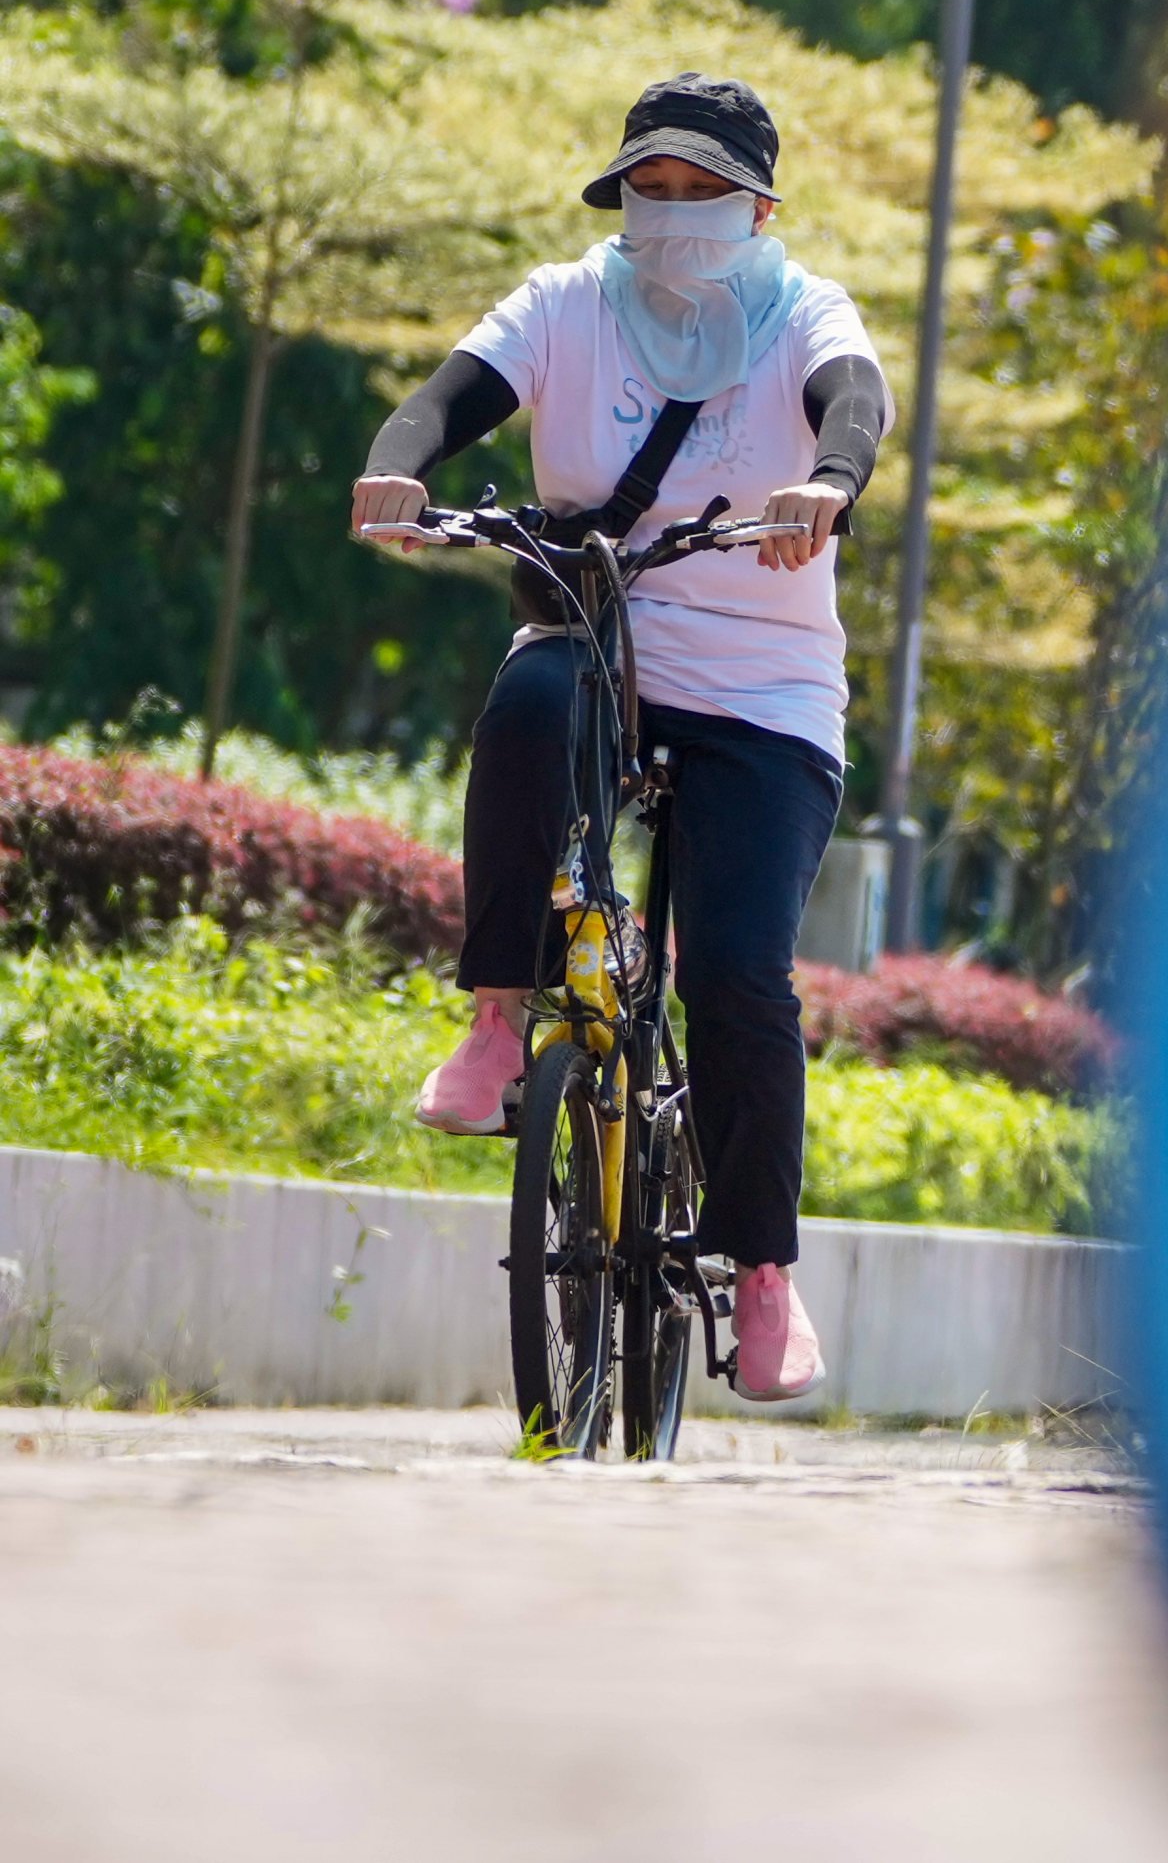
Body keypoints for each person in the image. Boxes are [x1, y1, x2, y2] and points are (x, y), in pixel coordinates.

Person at [349, 72, 889, 1405]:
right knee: (527, 699)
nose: (669, 210)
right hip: (599, 649)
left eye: (700, 187)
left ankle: (760, 1270)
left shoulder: (802, 314)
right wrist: (395, 463)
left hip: (764, 692)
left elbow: (853, 399)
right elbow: (442, 402)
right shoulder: (565, 303)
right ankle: (497, 1019)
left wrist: (825, 486)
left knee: (739, 976)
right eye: (647, 184)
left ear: (759, 205)